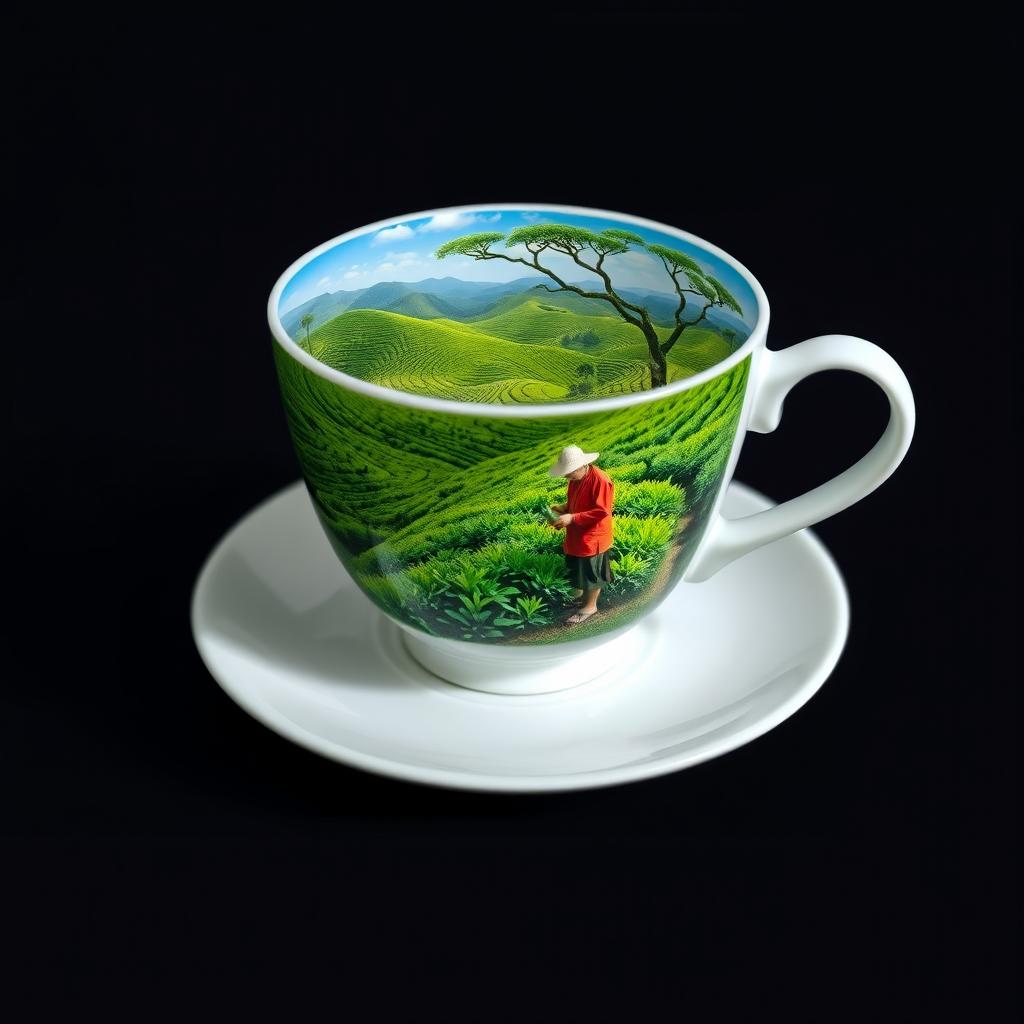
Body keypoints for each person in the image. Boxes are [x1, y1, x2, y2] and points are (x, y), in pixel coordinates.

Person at [547, 444, 615, 626]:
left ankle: (589, 607)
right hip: (578, 534)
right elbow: (576, 503)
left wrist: (572, 518)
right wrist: (563, 509)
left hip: (594, 536)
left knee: (592, 573)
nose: (566, 476)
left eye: (569, 472)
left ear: (581, 466)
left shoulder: (600, 480)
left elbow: (602, 511)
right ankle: (584, 599)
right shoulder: (575, 480)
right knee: (581, 570)